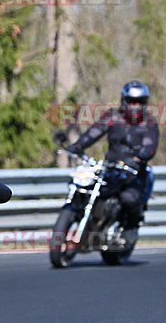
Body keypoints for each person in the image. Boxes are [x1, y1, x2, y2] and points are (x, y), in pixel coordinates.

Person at [66, 80, 159, 228]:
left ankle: (129, 228)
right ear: (124, 101)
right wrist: (78, 145)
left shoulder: (149, 123)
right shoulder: (113, 116)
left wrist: (141, 156)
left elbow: (150, 145)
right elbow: (95, 131)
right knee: (86, 188)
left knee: (128, 198)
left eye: (139, 102)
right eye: (132, 102)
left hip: (134, 173)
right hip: (110, 169)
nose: (135, 106)